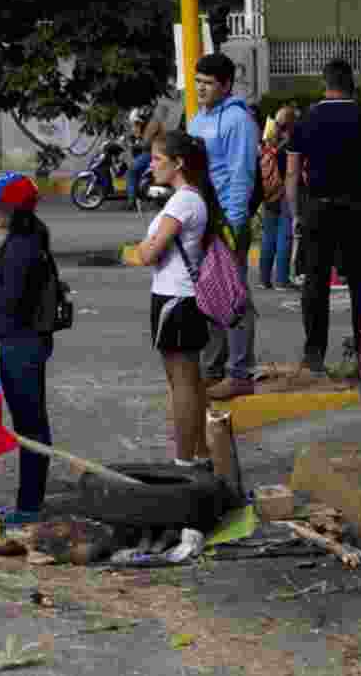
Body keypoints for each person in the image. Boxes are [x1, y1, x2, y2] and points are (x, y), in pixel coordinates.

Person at [286, 58, 361, 375]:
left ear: (324, 84)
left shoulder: (305, 121)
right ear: (351, 84)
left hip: (318, 208)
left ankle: (314, 356)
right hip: (359, 208)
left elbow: (292, 173)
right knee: (359, 283)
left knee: (315, 282)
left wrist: (295, 213)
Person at [0, 172, 54, 527]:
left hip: (23, 345)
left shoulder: (22, 247)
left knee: (31, 427)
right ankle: (28, 504)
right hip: (24, 342)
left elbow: (10, 299)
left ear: (9, 210)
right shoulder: (27, 236)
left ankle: (30, 508)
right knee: (29, 424)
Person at [134, 132, 215, 468]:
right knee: (189, 381)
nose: (151, 165)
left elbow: (149, 252)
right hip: (178, 297)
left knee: (181, 383)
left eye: (157, 159)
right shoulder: (188, 197)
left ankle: (185, 461)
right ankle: (199, 454)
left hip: (176, 299)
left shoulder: (183, 201)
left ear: (178, 162)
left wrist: (144, 246)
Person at [188, 53, 261, 401]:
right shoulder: (197, 119)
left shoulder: (237, 120)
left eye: (207, 83)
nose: (200, 88)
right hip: (201, 220)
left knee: (233, 297)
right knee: (207, 295)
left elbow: (240, 174)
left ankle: (240, 371)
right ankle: (213, 368)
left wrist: (233, 223)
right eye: (197, 81)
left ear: (226, 85)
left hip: (227, 221)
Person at [258, 106, 298, 291]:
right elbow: (291, 172)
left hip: (268, 193)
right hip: (284, 193)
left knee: (268, 236)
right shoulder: (290, 144)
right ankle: (281, 279)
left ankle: (264, 279)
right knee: (285, 237)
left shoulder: (268, 143)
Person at [126, 105, 164, 210]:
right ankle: (137, 195)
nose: (137, 123)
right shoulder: (150, 123)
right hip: (153, 151)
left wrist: (134, 144)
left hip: (153, 153)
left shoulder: (152, 124)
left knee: (131, 171)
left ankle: (131, 200)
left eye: (138, 121)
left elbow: (145, 144)